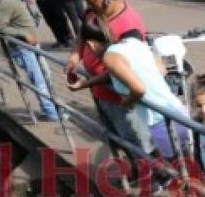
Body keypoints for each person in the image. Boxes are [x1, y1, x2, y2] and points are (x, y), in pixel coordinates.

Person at [66, 0, 151, 172]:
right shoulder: (93, 11)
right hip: (99, 92)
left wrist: (86, 83)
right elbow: (82, 34)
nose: (86, 2)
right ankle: (131, 170)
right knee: (114, 135)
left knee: (133, 138)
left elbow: (120, 72)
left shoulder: (128, 26)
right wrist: (75, 58)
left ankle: (152, 176)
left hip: (120, 98)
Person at [81, 15, 190, 161]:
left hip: (159, 121)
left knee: (174, 169)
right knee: (187, 164)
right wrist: (86, 83)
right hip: (176, 111)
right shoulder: (132, 42)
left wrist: (128, 101)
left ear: (91, 43)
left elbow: (138, 89)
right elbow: (162, 69)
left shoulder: (110, 57)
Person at [0, 0, 58, 120]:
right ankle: (52, 114)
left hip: (31, 45)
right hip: (22, 48)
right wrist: (23, 34)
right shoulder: (7, 0)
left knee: (45, 76)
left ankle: (52, 108)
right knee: (38, 81)